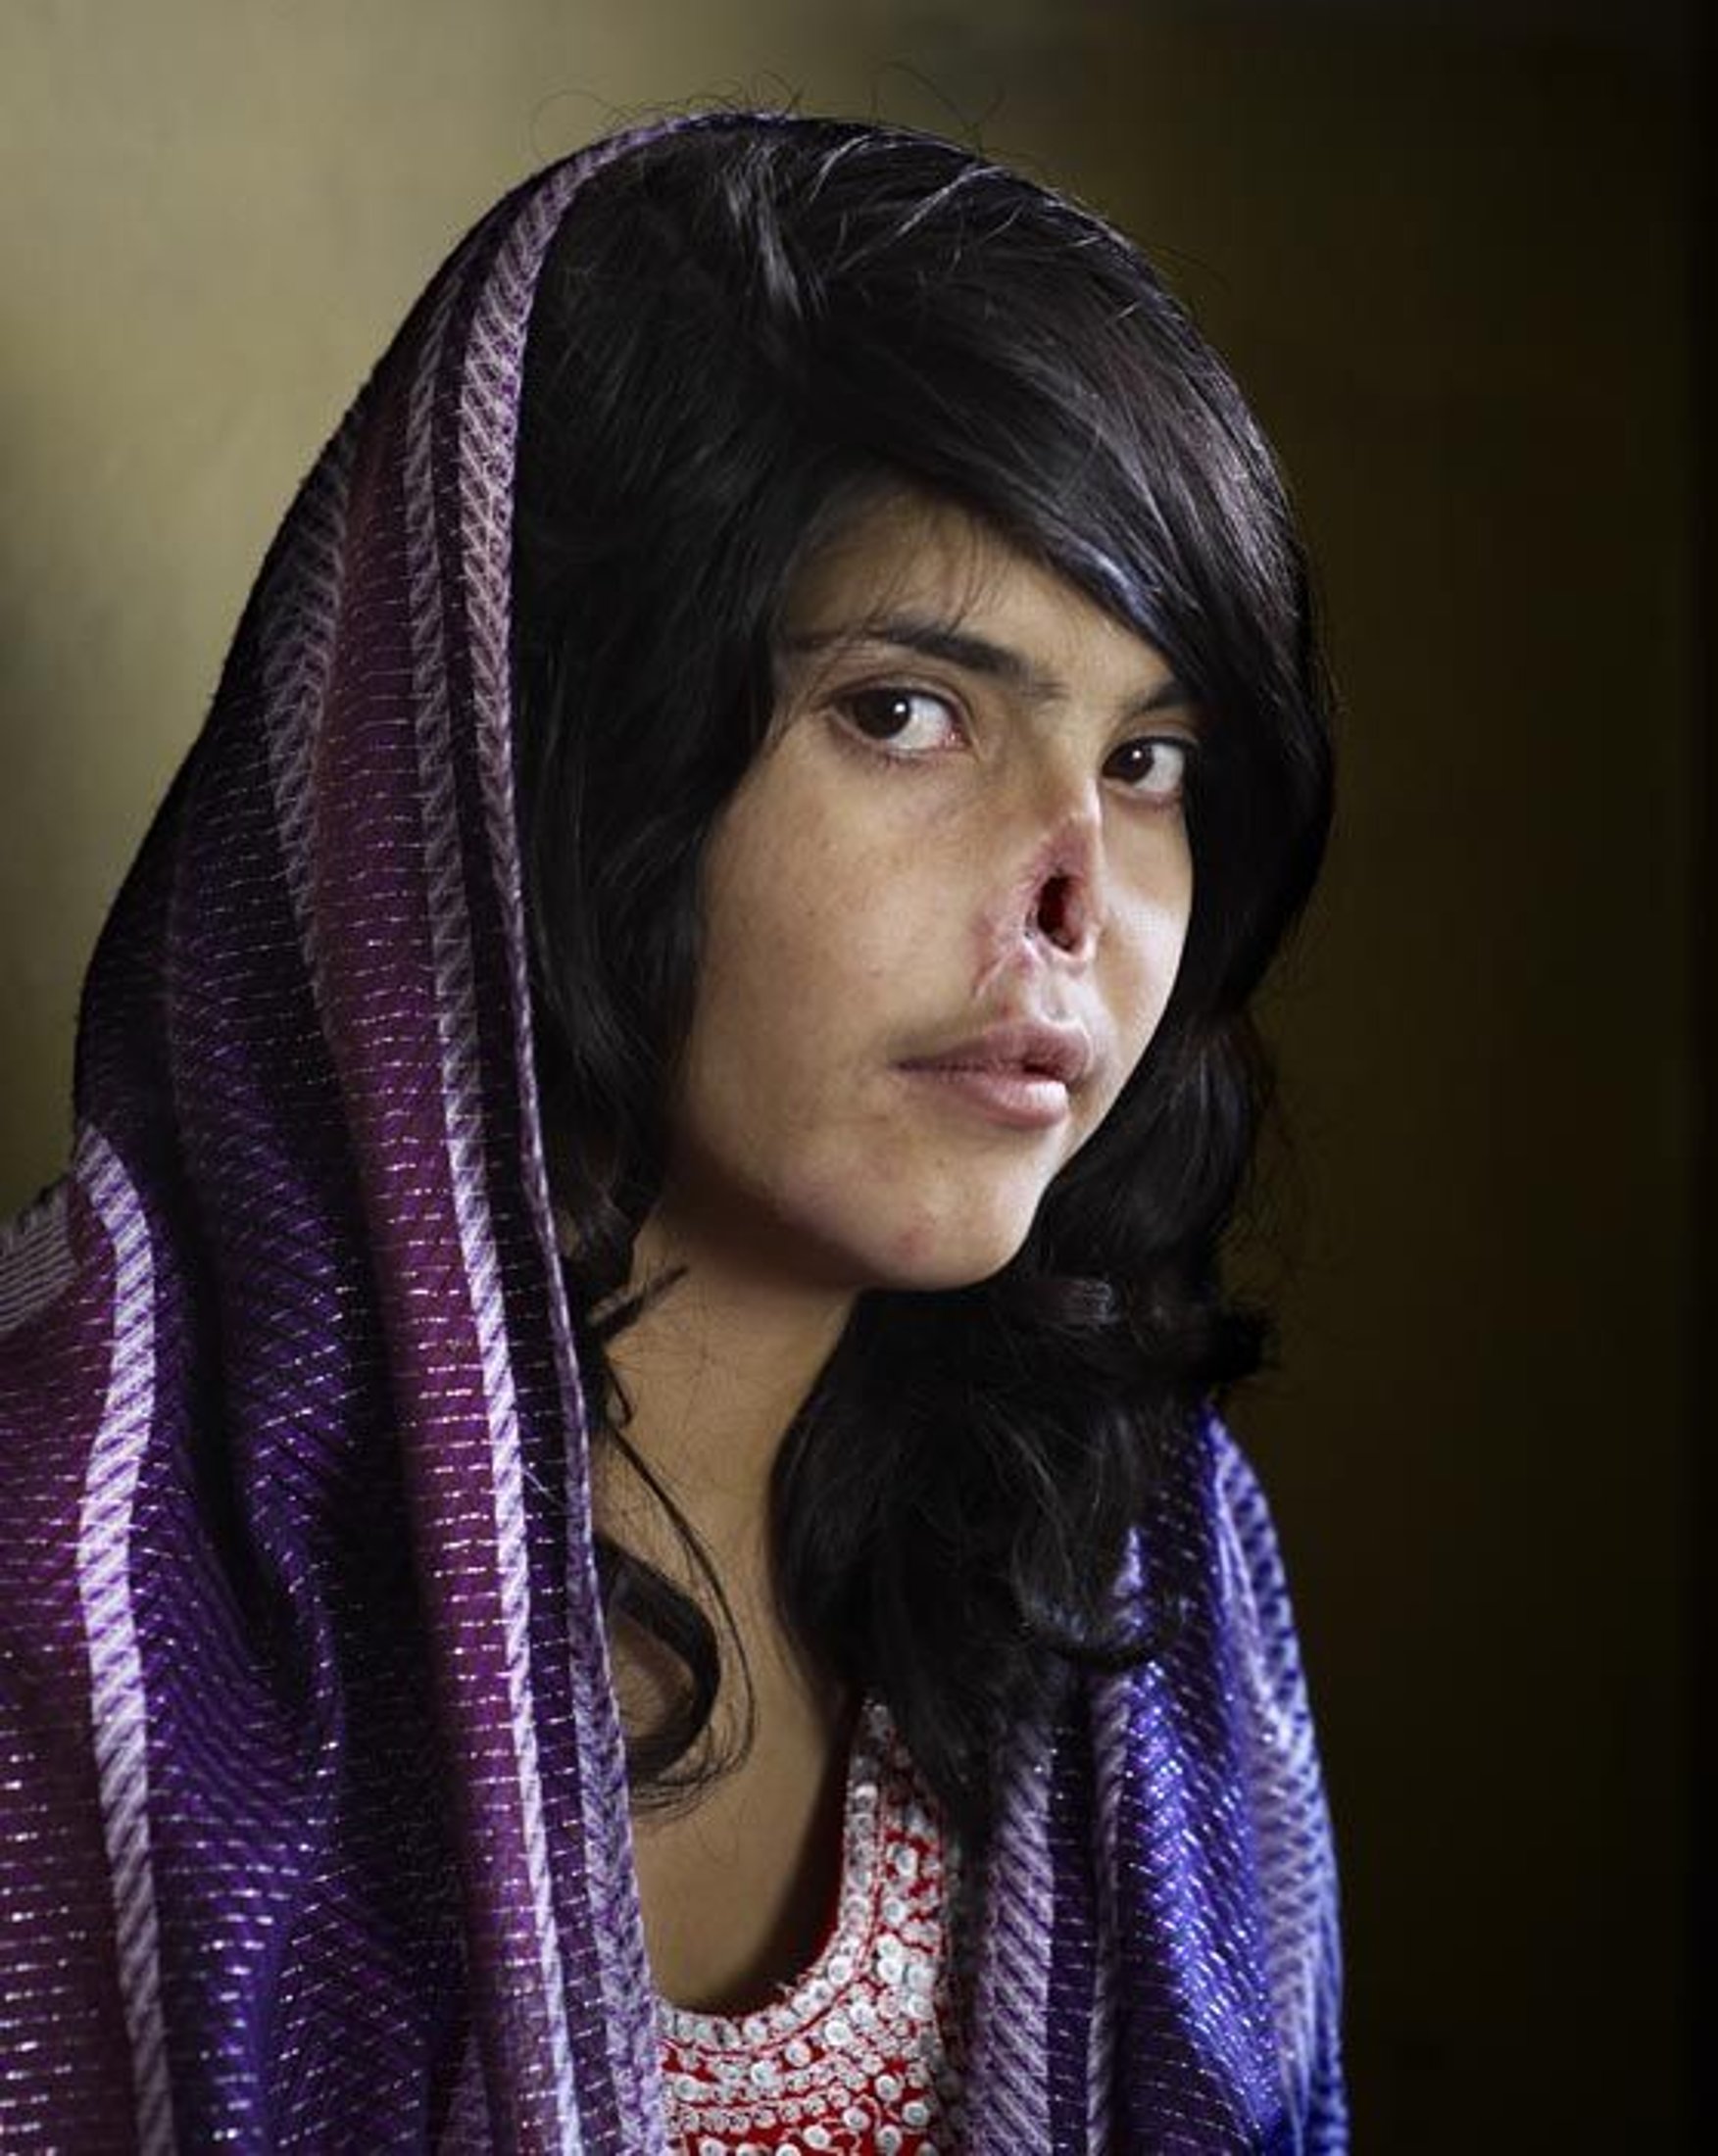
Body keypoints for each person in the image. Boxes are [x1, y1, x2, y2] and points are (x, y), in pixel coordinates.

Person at [0, 109, 1344, 2152]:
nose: (1080, 891)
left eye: (1150, 758)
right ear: (545, 748)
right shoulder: (63, 1596)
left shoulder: (1142, 1571)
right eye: (907, 711)